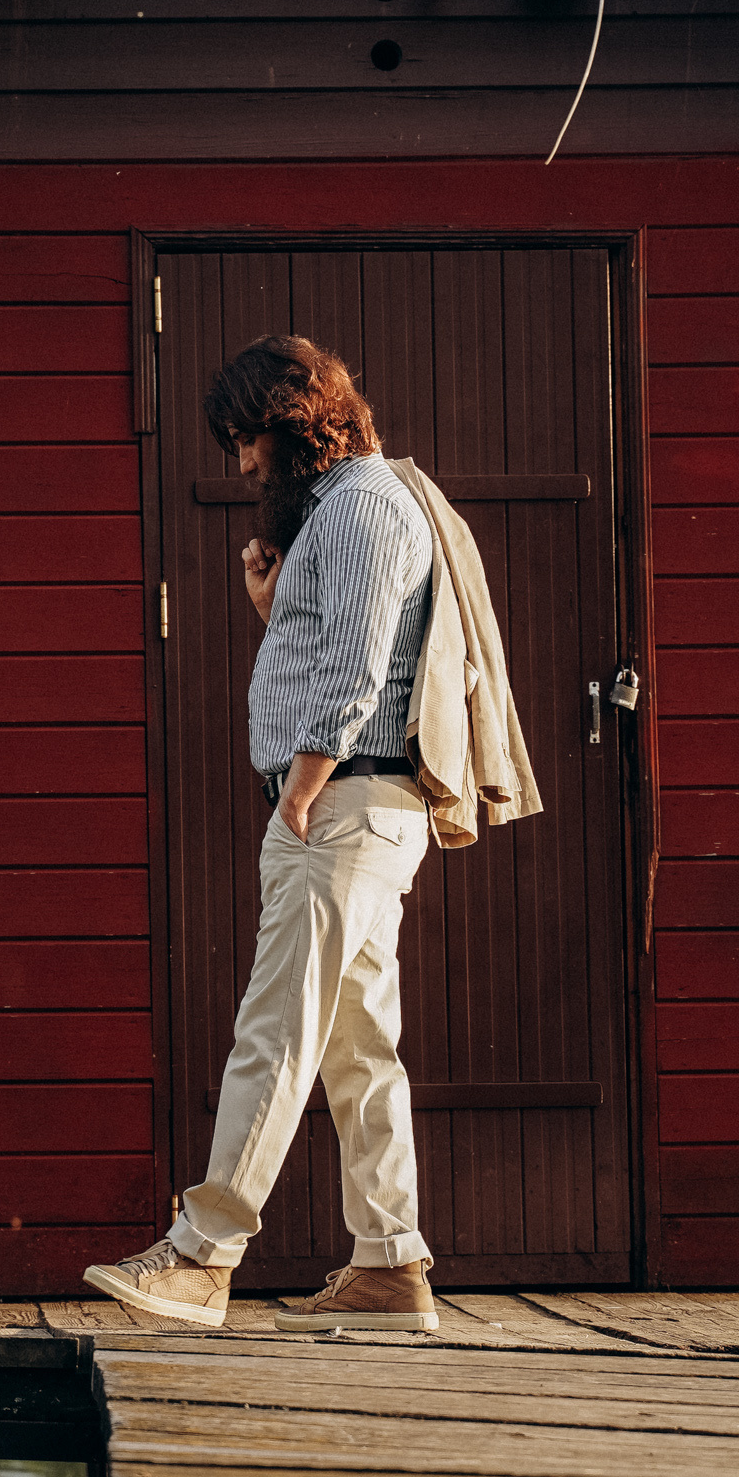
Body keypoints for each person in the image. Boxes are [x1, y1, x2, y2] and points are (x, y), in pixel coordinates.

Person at [83, 334, 446, 1332]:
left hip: (341, 804)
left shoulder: (362, 507)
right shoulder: (346, 508)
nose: (242, 461)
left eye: (248, 438)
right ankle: (390, 1262)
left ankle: (202, 1254)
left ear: (294, 423)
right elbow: (334, 649)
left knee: (275, 1028)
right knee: (359, 1047)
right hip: (356, 803)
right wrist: (271, 603)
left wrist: (303, 784)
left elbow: (357, 666)